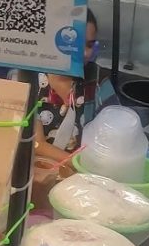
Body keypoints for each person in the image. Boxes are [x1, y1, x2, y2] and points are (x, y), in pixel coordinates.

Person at [32, 9, 99, 159]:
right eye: (77, 44)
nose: (86, 53)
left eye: (90, 45)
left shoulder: (96, 80)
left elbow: (112, 134)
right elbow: (36, 145)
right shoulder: (30, 79)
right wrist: (80, 167)